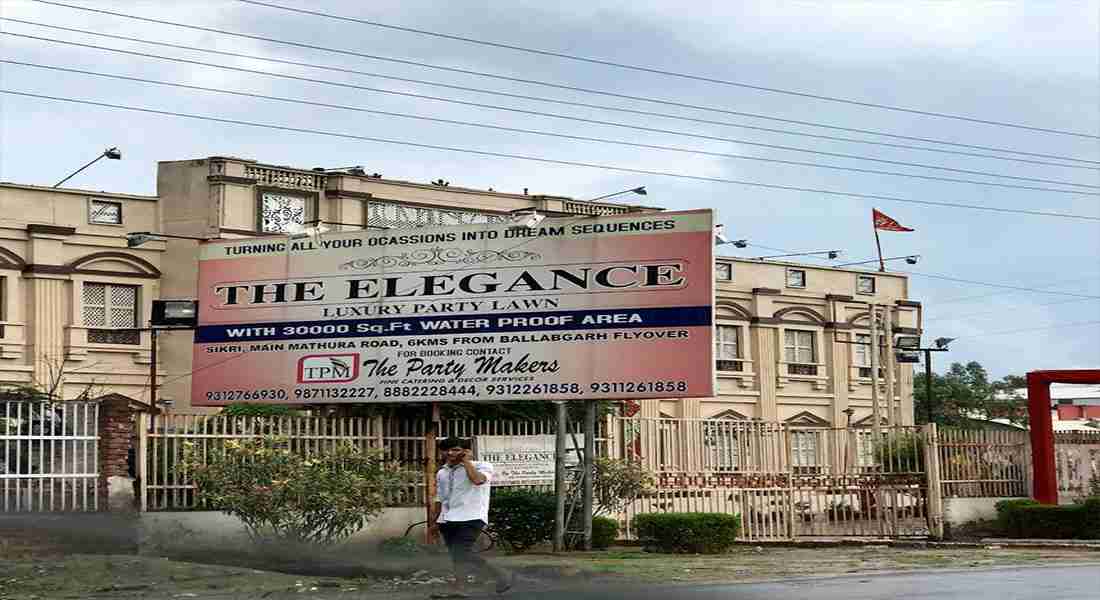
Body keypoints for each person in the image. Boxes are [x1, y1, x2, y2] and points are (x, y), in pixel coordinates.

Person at [429, 437, 514, 598]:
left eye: (455, 449)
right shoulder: (442, 472)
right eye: (446, 450)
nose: (449, 453)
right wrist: (434, 522)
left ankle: (501, 574)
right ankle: (460, 590)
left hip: (472, 516)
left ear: (466, 451)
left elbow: (478, 480)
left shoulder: (482, 466)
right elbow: (440, 498)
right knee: (456, 556)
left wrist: (466, 462)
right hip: (447, 519)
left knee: (461, 551)